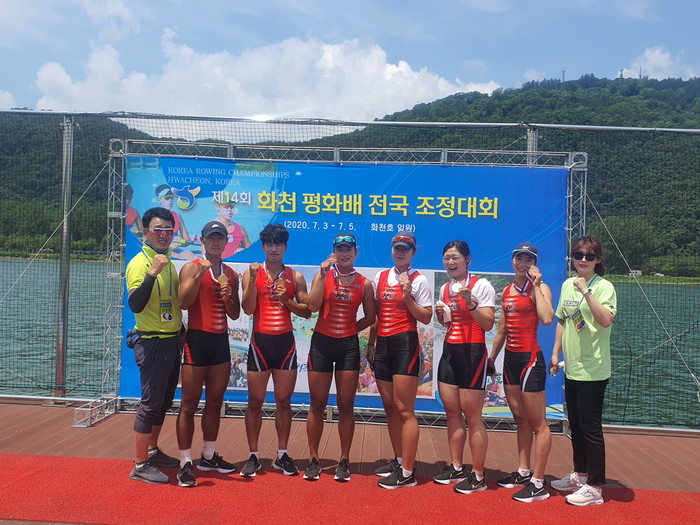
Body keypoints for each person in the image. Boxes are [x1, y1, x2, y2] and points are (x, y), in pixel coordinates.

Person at [550, 235, 617, 506]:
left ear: (598, 260)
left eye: (589, 256)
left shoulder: (604, 287)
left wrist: (586, 292)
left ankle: (595, 487)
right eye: (578, 255)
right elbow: (562, 320)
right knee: (575, 425)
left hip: (594, 369)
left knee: (590, 428)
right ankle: (580, 475)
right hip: (572, 367)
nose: (583, 260)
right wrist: (555, 354)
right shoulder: (567, 285)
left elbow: (605, 320)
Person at [239, 223, 311, 477]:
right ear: (263, 247)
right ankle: (253, 455)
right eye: (269, 244)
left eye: (278, 244)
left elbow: (307, 311)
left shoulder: (295, 276)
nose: (273, 249)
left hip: (285, 346)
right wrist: (251, 280)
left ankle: (282, 454)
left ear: (285, 247)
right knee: (255, 402)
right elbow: (248, 309)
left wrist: (285, 300)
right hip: (260, 344)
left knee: (283, 402)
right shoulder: (251, 273)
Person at [303, 233, 376, 482]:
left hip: (348, 347)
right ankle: (314, 459)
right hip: (321, 345)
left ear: (356, 252)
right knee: (317, 404)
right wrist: (322, 276)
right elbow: (312, 307)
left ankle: (344, 460)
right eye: (340, 250)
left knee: (346, 405)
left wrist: (351, 330)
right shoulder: (322, 275)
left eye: (348, 250)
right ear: (334, 252)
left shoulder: (365, 283)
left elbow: (371, 317)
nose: (344, 254)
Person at [175, 220, 241, 487]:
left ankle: (209, 456)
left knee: (215, 401)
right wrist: (198, 277)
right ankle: (184, 463)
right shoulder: (191, 267)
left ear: (226, 242)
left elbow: (235, 313)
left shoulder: (231, 274)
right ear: (202, 240)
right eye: (211, 238)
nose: (215, 242)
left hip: (220, 344)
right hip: (197, 342)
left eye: (220, 238)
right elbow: (183, 302)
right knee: (189, 404)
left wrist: (228, 297)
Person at [488, 242, 555, 502]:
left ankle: (538, 483)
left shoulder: (540, 287)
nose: (522, 264)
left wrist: (536, 285)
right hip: (510, 360)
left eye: (528, 260)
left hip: (530, 359)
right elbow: (502, 330)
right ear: (513, 260)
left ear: (534, 263)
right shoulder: (507, 290)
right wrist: (492, 358)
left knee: (539, 423)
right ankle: (524, 472)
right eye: (519, 259)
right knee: (520, 418)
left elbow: (547, 318)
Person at [368, 232, 433, 489]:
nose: (400, 252)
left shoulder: (419, 280)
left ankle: (407, 471)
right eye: (397, 248)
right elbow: (376, 315)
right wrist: (371, 344)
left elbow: (426, 317)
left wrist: (408, 299)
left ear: (413, 252)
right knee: (390, 407)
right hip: (383, 345)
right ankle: (398, 460)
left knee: (405, 409)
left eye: (405, 248)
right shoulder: (381, 276)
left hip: (405, 344)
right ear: (392, 250)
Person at [432, 240, 496, 495]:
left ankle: (478, 475)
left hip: (472, 352)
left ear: (467, 259)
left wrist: (470, 303)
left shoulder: (481, 285)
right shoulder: (445, 288)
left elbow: (488, 324)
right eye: (447, 257)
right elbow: (447, 323)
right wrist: (441, 315)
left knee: (473, 416)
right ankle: (456, 466)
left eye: (455, 257)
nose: (450, 262)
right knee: (452, 412)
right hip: (450, 352)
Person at [125, 207, 183, 484]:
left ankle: (152, 450)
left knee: (164, 401)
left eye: (168, 230)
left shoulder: (168, 261)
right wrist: (150, 274)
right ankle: (140, 464)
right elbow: (135, 304)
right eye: (158, 230)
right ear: (145, 233)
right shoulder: (140, 263)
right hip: (152, 341)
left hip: (172, 339)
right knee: (150, 403)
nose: (163, 235)